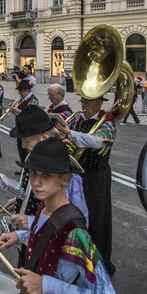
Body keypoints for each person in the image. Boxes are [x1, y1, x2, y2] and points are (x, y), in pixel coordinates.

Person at [0, 138, 121, 294]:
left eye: (46, 175)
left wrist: (46, 285)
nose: (36, 182)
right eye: (33, 173)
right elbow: (48, 240)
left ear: (65, 179)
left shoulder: (75, 231)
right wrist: (19, 236)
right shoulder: (42, 208)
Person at [55, 94, 116, 276]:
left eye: (87, 103)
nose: (83, 106)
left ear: (99, 104)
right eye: (82, 102)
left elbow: (97, 141)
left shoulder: (108, 123)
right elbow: (70, 142)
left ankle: (100, 263)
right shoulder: (78, 121)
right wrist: (62, 138)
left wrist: (69, 133)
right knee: (76, 216)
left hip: (96, 177)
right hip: (77, 174)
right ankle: (77, 257)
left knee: (97, 219)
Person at [4, 105, 89, 233]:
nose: (23, 145)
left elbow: (76, 223)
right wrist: (22, 200)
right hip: (30, 240)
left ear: (44, 138)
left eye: (26, 140)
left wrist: (32, 222)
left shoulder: (63, 168)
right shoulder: (31, 156)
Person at [11, 80, 39, 163]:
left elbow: (30, 114)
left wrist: (18, 110)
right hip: (20, 127)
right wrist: (14, 110)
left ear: (27, 90)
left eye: (21, 91)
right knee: (21, 148)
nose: (19, 93)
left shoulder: (33, 100)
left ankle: (28, 168)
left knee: (27, 150)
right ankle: (23, 166)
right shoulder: (22, 99)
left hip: (28, 129)